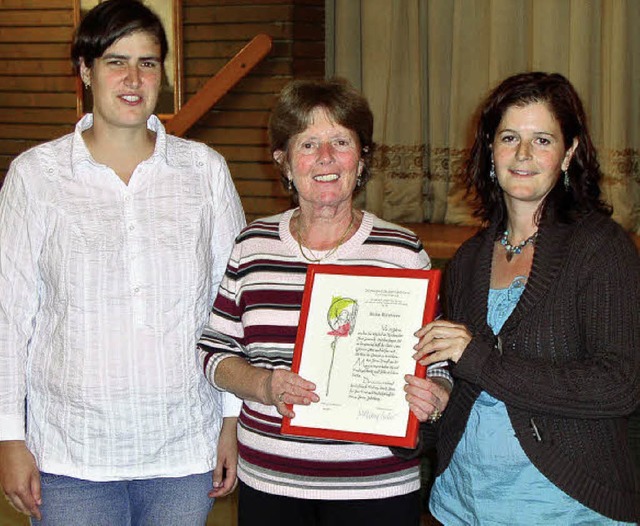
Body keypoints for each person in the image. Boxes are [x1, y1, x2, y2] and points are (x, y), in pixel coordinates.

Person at [0, 0, 245, 524]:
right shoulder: (35, 176)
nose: (133, 78)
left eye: (149, 62)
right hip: (71, 453)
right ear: (85, 70)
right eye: (116, 60)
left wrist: (231, 419)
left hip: (184, 444)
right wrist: (9, 437)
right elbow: (9, 316)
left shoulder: (203, 170)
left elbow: (231, 306)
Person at [196, 78, 452, 526]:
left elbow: (438, 363)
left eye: (341, 141)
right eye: (309, 143)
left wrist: (438, 393)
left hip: (377, 484)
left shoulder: (401, 251)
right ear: (285, 162)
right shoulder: (253, 245)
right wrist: (264, 386)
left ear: (362, 158)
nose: (326, 158)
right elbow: (214, 352)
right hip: (273, 481)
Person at [414, 72, 640, 524]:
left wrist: (476, 358)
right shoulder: (467, 259)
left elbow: (619, 385)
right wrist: (435, 403)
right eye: (510, 137)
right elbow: (466, 381)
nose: (522, 155)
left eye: (542, 140)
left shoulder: (601, 248)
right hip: (462, 501)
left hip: (566, 506)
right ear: (490, 148)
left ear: (569, 152)